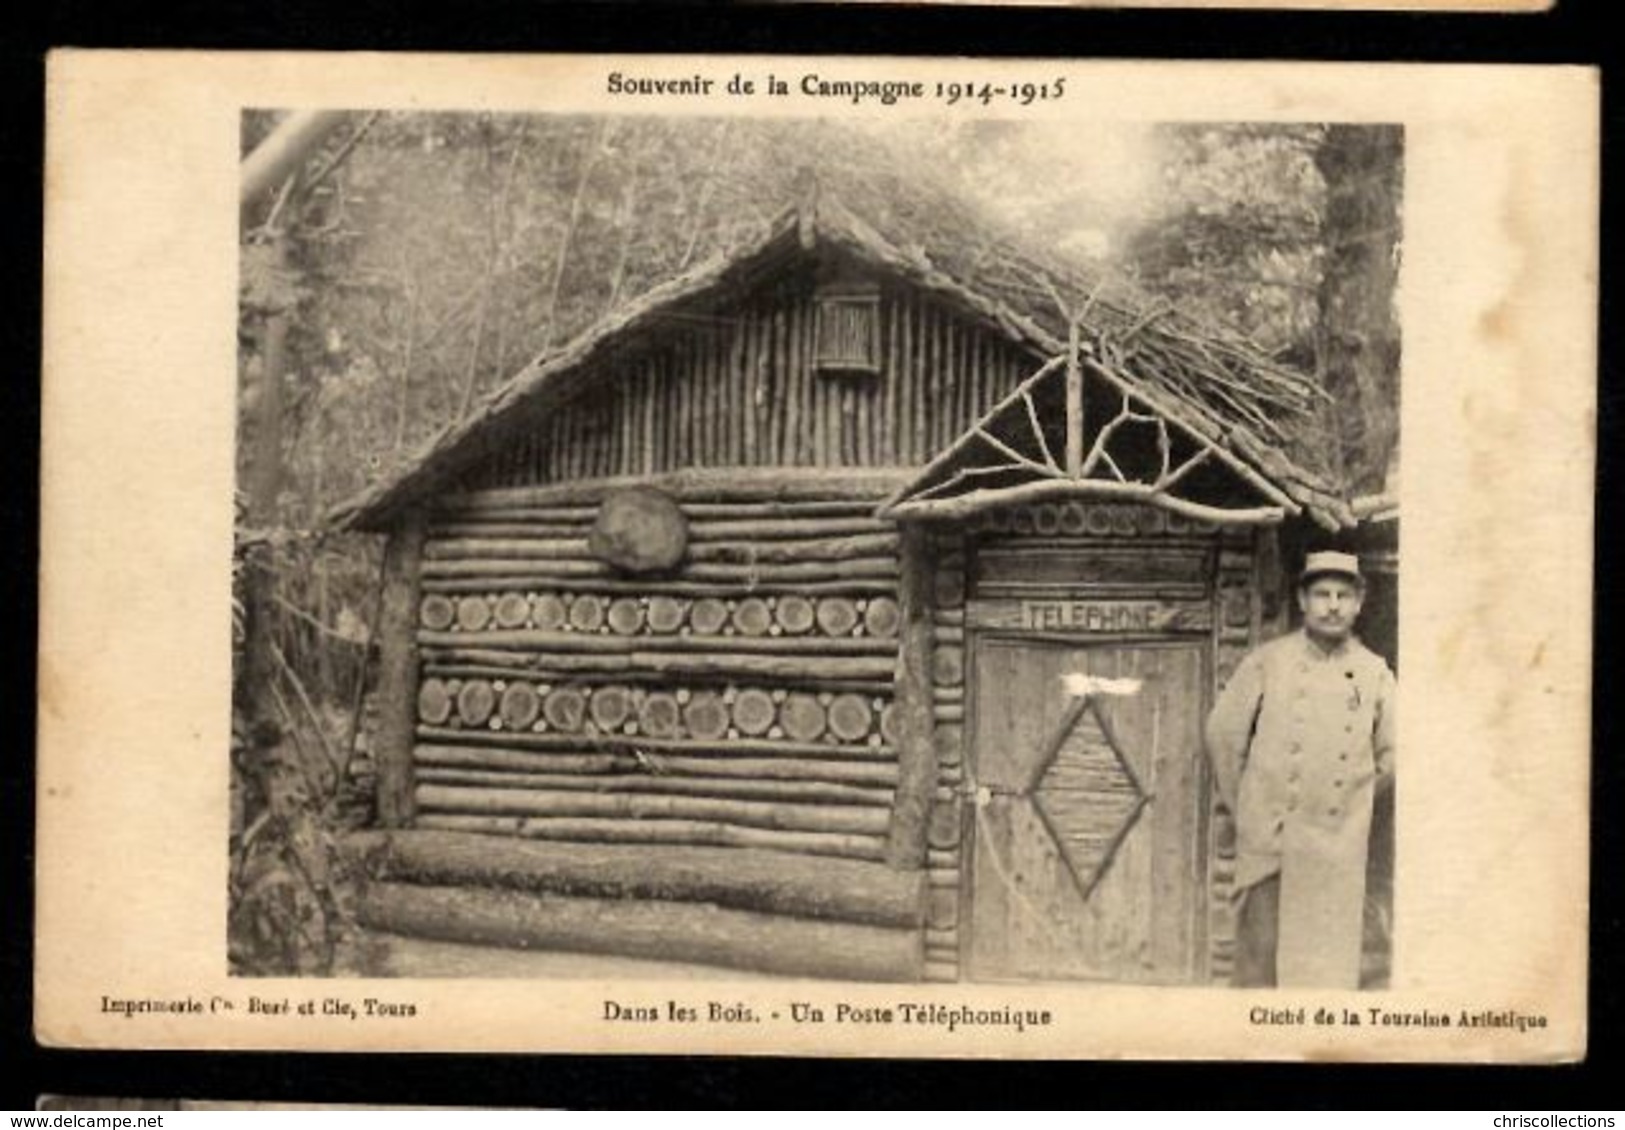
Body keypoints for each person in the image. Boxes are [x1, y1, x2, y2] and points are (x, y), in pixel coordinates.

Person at [1205, 550, 1397, 989]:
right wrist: (1250, 810)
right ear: (1302, 600)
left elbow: (1394, 754)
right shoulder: (1267, 662)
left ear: (1359, 603)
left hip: (1336, 846)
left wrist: (1353, 798)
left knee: (1324, 973)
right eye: (1322, 594)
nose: (1332, 605)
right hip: (1273, 843)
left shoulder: (1374, 673)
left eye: (1343, 595)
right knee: (1258, 966)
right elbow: (1223, 736)